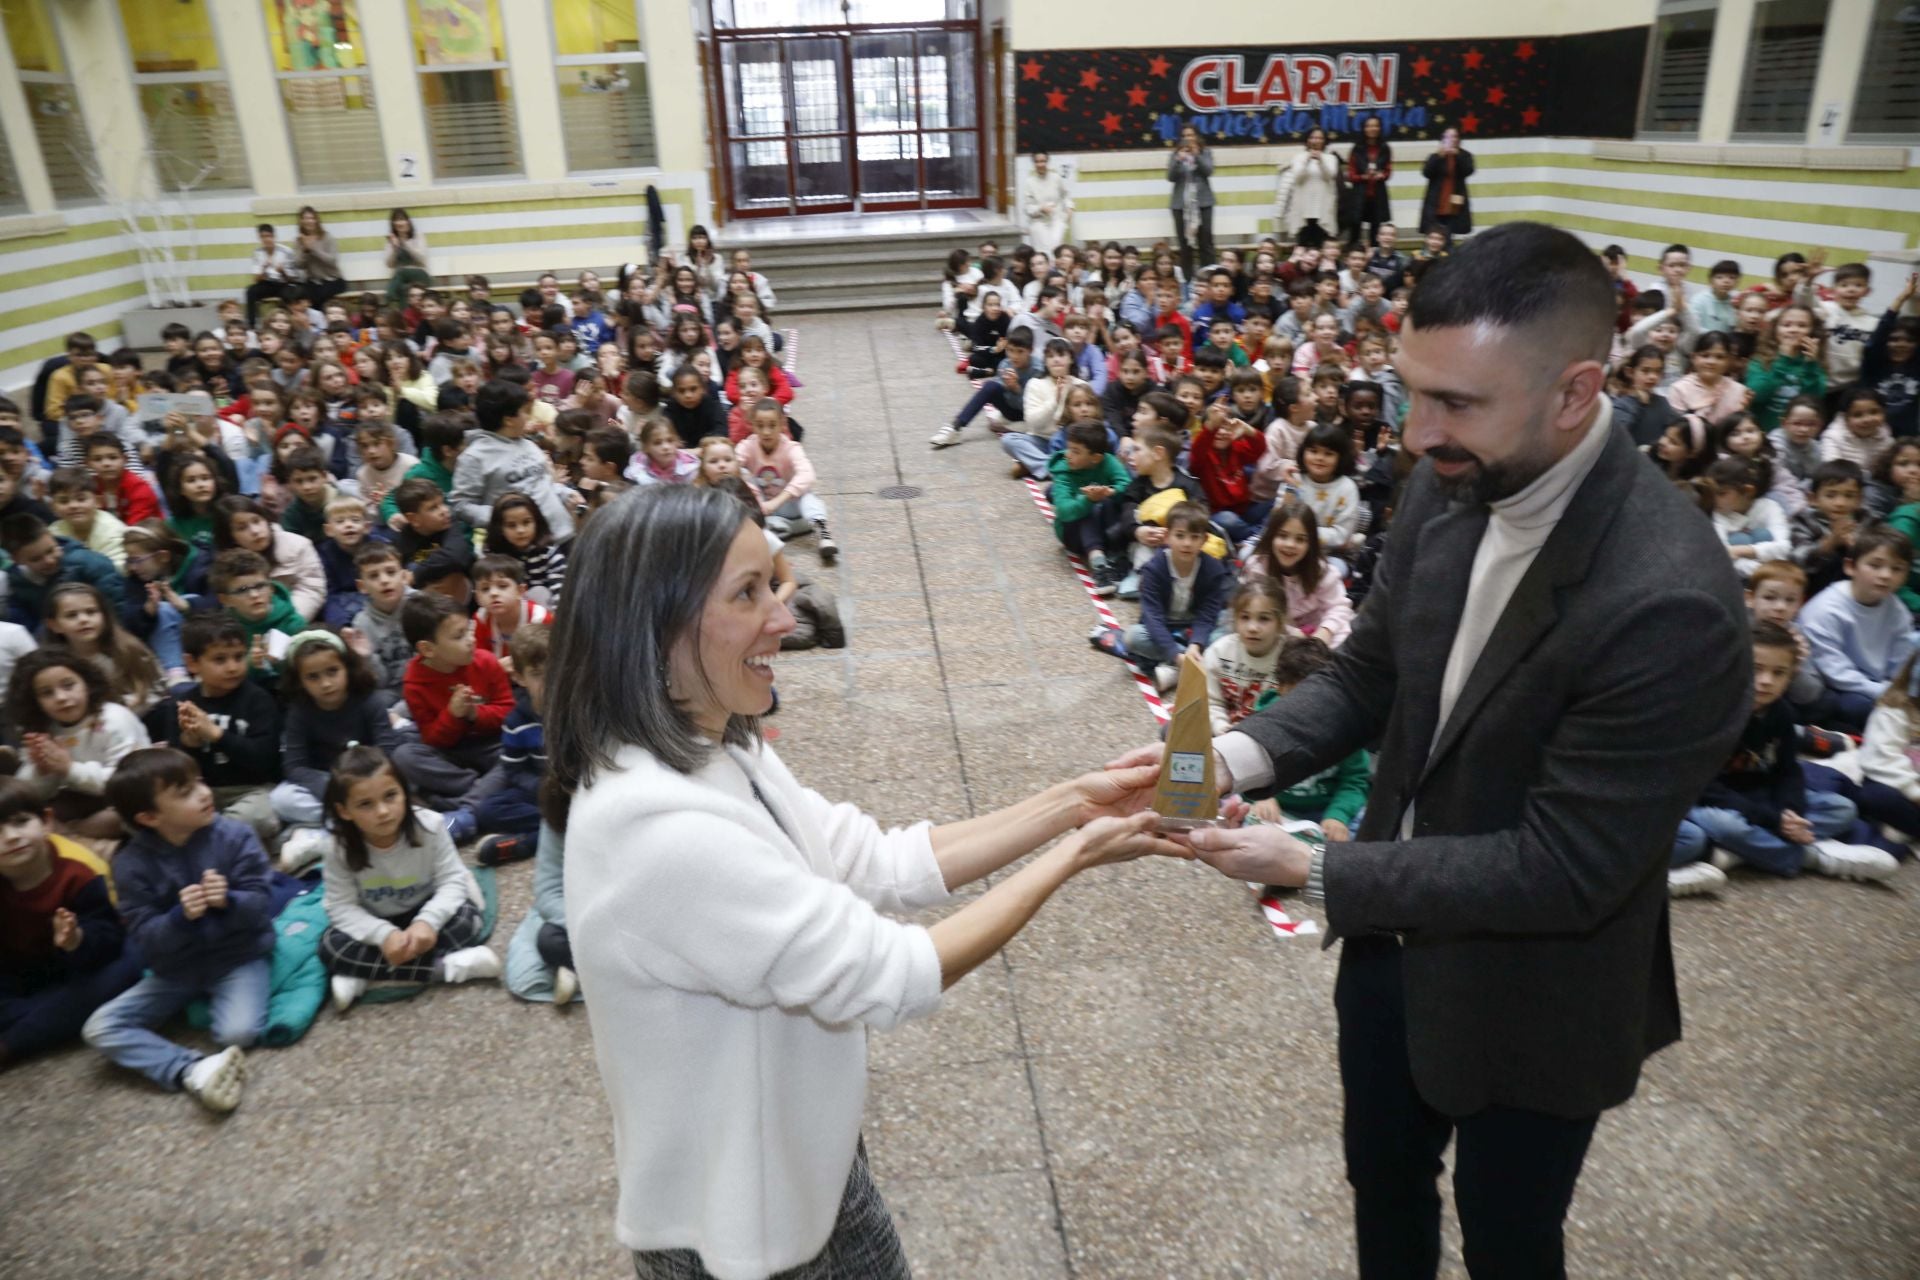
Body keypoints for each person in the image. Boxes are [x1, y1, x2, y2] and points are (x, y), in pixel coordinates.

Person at [1112, 222, 1750, 1278]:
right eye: (1413, 392)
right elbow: (1370, 674)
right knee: (1385, 1185)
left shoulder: (1668, 600)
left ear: (1576, 391)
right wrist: (1229, 757)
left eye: (1456, 402)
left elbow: (1566, 865)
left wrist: (1315, 866)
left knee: (1509, 1236)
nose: (1416, 433)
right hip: (1389, 951)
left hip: (1537, 989)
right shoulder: (1455, 481)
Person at [547, 484, 1182, 1278]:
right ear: (655, 622)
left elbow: (880, 861)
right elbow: (893, 974)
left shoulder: (718, 746)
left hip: (796, 1168)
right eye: (748, 593)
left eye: (774, 584)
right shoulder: (657, 830)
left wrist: (1071, 803)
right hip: (743, 1232)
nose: (785, 618)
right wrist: (1077, 853)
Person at [84, 747, 274, 1113]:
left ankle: (220, 1008)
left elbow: (262, 902)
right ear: (149, 817)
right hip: (175, 969)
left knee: (237, 1033)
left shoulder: (235, 836)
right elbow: (144, 936)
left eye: (199, 781)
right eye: (185, 792)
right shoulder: (130, 864)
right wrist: (178, 918)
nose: (204, 793)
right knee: (100, 1028)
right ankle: (190, 1068)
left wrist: (229, 901)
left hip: (238, 956)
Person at [1668, 620, 1895, 896]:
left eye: (1779, 673)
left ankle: (1744, 851)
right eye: (1756, 669)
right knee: (1726, 826)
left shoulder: (1781, 712)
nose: (1767, 681)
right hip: (1709, 801)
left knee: (1841, 809)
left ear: (1791, 676)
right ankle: (1811, 857)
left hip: (1758, 797)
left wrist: (1790, 811)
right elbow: (1704, 789)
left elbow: (1788, 771)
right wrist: (1774, 821)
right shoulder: (1710, 713)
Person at [319, 745, 500, 1012]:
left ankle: (367, 974)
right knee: (330, 946)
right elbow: (341, 906)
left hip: (426, 908)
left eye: (390, 796)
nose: (383, 811)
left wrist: (427, 922)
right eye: (365, 804)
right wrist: (384, 935)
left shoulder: (431, 825)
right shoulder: (337, 848)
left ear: (405, 792)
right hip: (375, 920)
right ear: (344, 811)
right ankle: (445, 968)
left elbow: (452, 881)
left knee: (468, 920)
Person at [0, 775, 142, 1069]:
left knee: (132, 963)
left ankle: (13, 1042)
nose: (11, 837)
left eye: (21, 822)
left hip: (82, 970)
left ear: (46, 821)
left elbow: (109, 938)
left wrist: (76, 939)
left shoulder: (79, 873)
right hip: (21, 976)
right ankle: (40, 1016)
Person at [1798, 526, 1915, 733]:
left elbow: (1901, 663)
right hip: (1839, 688)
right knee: (1859, 707)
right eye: (1875, 565)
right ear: (1850, 566)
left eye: (1897, 569)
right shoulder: (1824, 610)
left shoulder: (1898, 611)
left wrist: (1899, 691)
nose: (1886, 575)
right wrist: (1887, 694)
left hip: (1880, 685)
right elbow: (1834, 671)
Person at [1166, 125, 1215, 283]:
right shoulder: (1175, 155)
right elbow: (1170, 177)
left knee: (1205, 244)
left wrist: (1196, 155)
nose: (1188, 138)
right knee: (1185, 245)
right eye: (1184, 135)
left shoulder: (1206, 152)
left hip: (1203, 203)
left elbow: (1208, 171)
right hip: (1181, 205)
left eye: (1191, 135)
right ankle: (1187, 283)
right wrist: (1178, 159)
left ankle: (1209, 280)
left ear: (1197, 137)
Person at [1275, 129, 1340, 247]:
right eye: (1312, 137)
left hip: (1322, 207)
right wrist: (1307, 160)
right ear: (1307, 140)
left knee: (1321, 242)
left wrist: (1321, 161)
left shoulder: (1330, 158)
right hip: (1304, 207)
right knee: (1303, 242)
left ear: (1324, 141)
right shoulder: (1299, 157)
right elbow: (1298, 177)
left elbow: (1330, 176)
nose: (1316, 140)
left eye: (1319, 138)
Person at [1418, 127, 1474, 240]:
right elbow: (1426, 173)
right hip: (1437, 202)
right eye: (1448, 137)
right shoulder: (1435, 156)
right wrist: (1439, 157)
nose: (1451, 139)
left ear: (1459, 139)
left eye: (1454, 136)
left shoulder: (1465, 155)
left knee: (1449, 235)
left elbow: (1468, 171)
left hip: (1455, 202)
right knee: (1434, 235)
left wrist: (1457, 155)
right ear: (1443, 139)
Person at [1346, 117, 1394, 246]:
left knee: (1376, 228)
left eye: (1376, 126)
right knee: (1355, 226)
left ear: (1380, 128)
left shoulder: (1385, 148)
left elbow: (1388, 171)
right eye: (1369, 126)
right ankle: (1353, 251)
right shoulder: (1357, 148)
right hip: (1359, 193)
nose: (1372, 129)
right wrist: (1363, 177)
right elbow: (1351, 175)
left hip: (1378, 194)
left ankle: (1374, 253)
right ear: (1364, 129)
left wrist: (1381, 175)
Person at [291, 206, 345, 309]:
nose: (309, 221)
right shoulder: (298, 241)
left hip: (333, 280)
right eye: (306, 218)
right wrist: (305, 251)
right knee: (301, 296)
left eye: (312, 218)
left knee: (319, 296)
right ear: (301, 221)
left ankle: (323, 318)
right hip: (313, 281)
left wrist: (314, 249)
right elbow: (298, 265)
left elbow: (332, 261)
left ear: (316, 220)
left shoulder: (327, 237)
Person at [1019, 152, 1072, 255]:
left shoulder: (1056, 178)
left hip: (1056, 219)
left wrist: (1070, 208)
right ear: (1034, 163)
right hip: (1038, 221)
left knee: (1056, 249)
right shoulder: (1029, 182)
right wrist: (1040, 208)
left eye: (1043, 161)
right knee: (1043, 252)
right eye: (1037, 162)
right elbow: (1027, 207)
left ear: (1047, 162)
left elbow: (1065, 195)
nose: (1040, 164)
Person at [383, 209, 430, 305]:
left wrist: (404, 243)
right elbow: (389, 264)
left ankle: (389, 296)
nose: (399, 223)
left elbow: (422, 260)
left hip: (420, 275)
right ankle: (405, 314)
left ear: (408, 222)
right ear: (393, 224)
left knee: (401, 272)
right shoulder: (392, 240)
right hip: (402, 280)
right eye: (396, 220)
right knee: (403, 289)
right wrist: (395, 248)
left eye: (402, 219)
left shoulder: (418, 237)